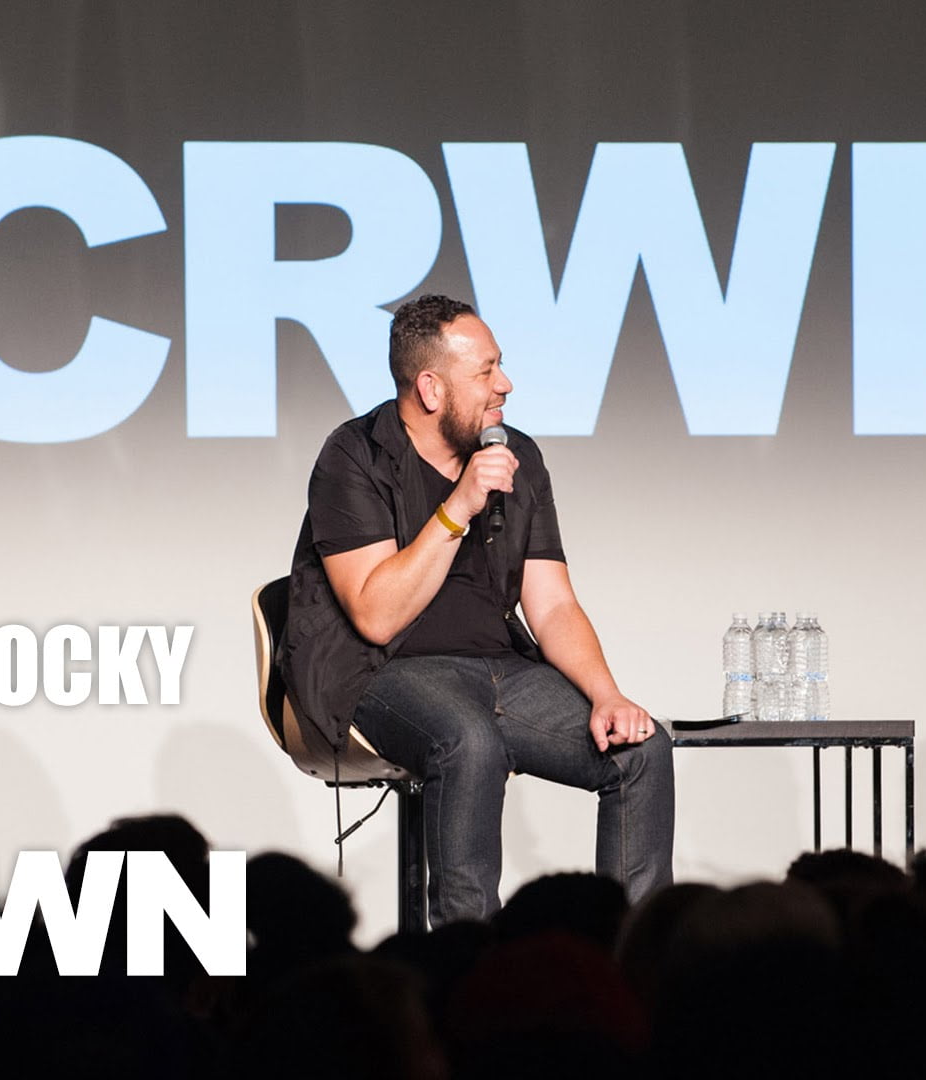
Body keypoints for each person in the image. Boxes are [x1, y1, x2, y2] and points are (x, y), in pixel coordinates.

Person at [280, 294, 674, 927]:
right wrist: (458, 507)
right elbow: (376, 615)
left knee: (641, 750)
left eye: (500, 366)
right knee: (470, 744)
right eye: (486, 371)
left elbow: (553, 604)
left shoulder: (517, 457)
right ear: (431, 389)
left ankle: (634, 955)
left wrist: (608, 696)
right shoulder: (354, 456)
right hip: (382, 673)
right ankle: (469, 956)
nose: (505, 384)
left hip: (500, 670)